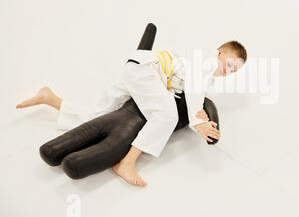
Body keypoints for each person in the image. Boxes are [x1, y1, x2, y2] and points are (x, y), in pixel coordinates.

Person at [16, 41, 247, 186]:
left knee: (98, 116)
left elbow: (191, 91)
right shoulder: (206, 61)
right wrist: (198, 122)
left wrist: (202, 120)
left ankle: (50, 98)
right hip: (148, 71)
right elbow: (195, 91)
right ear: (219, 53)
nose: (227, 72)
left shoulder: (202, 69)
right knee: (167, 115)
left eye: (233, 71)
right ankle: (127, 163)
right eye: (229, 65)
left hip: (136, 66)